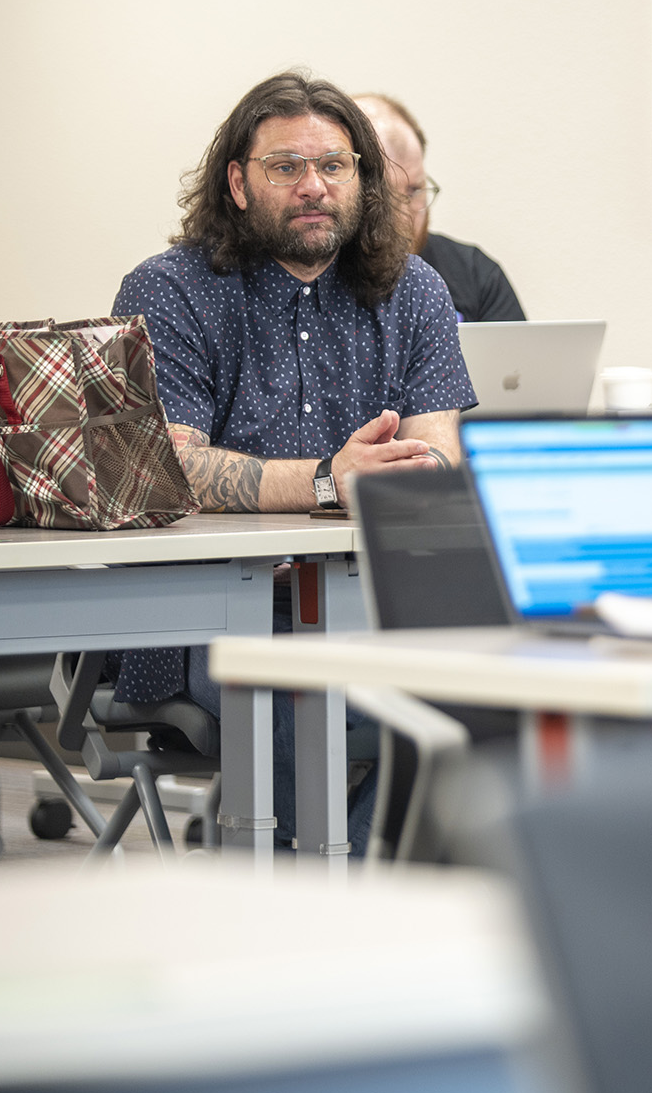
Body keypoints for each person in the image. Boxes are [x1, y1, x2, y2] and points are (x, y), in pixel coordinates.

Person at [113, 71, 477, 851]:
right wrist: (326, 480)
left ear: (363, 180)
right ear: (238, 183)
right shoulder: (169, 290)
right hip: (213, 615)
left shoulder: (415, 291)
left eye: (334, 166)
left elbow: (437, 451)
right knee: (289, 696)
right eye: (287, 167)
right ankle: (303, 897)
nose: (314, 186)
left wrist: (418, 470)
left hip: (368, 607)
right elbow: (172, 469)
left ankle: (350, 880)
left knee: (487, 695)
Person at [356, 93, 526, 322]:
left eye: (414, 190)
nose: (404, 214)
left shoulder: (474, 274)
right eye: (385, 194)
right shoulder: (311, 280)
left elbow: (519, 357)